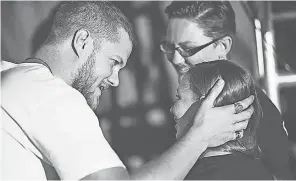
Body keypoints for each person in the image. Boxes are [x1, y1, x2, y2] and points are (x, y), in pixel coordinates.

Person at [1, 1, 254, 180]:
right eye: (113, 62)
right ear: (82, 42)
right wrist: (201, 136)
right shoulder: (52, 96)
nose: (115, 81)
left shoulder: (10, 78)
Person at [161, 1, 293, 179]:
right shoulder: (185, 104)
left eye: (188, 49)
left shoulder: (256, 110)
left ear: (222, 46)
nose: (176, 59)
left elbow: (282, 175)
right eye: (170, 48)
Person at [171, 60, 273, 180]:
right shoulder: (260, 171)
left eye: (179, 97)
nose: (172, 109)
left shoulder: (196, 176)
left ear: (204, 106)